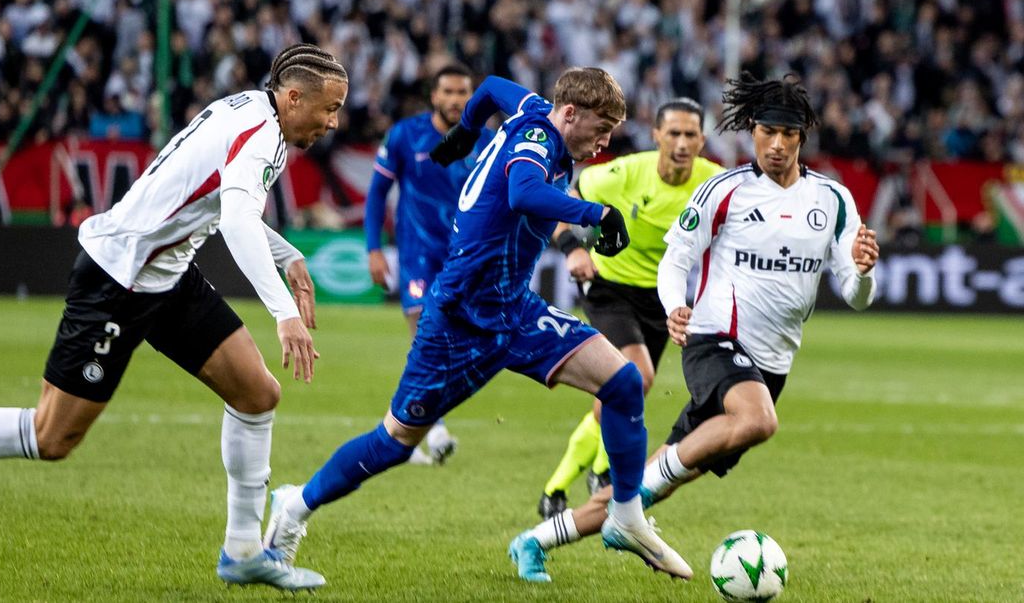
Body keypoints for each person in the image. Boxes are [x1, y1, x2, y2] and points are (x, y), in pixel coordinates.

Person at [0, 43, 350, 591]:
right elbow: (234, 220)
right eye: (329, 109)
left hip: (168, 275)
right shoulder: (260, 136)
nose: (334, 122)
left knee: (258, 394)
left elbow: (219, 204)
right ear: (293, 96)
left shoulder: (260, 117)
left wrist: (289, 256)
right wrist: (282, 312)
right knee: (52, 437)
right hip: (118, 278)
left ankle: (241, 552)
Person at [262, 69, 693, 585]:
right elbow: (523, 191)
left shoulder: (535, 108)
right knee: (395, 440)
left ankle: (624, 515)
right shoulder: (538, 137)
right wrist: (594, 212)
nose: (604, 143)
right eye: (600, 129)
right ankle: (294, 507)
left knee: (623, 383)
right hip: (459, 320)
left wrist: (466, 131)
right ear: (571, 114)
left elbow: (489, 86)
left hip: (514, 310)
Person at [508, 72, 880, 583]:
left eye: (787, 134)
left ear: (802, 136)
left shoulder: (832, 201)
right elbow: (677, 259)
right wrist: (673, 306)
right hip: (714, 339)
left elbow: (857, 295)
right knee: (759, 421)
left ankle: (536, 540)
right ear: (752, 131)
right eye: (766, 131)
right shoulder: (723, 189)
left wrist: (862, 271)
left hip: (771, 365)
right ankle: (632, 498)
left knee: (657, 478)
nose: (775, 143)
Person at [537, 98, 724, 518]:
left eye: (690, 134)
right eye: (672, 133)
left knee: (624, 390)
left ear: (701, 140)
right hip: (609, 287)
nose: (681, 142)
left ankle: (559, 486)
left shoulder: (715, 183)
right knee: (635, 375)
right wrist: (571, 249)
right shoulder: (622, 173)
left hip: (662, 298)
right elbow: (559, 199)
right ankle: (600, 474)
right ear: (656, 135)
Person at [363, 64, 493, 465]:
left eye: (463, 92)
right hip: (418, 253)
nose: (456, 100)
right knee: (425, 334)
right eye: (449, 92)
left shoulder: (488, 140)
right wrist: (373, 248)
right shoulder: (405, 135)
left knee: (455, 343)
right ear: (434, 97)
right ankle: (431, 428)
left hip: (465, 256)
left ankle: (411, 426)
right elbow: (376, 193)